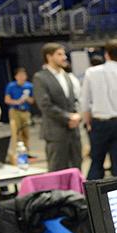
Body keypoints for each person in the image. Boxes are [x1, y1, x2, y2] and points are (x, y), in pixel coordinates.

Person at [80, 39, 117, 179]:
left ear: (106, 54)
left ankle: (92, 199)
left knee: (96, 162)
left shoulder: (91, 73)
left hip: (98, 123)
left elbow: (84, 101)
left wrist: (87, 121)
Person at [33, 43, 82, 172]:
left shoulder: (67, 76)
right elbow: (45, 105)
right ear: (49, 56)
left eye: (64, 54)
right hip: (56, 133)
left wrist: (77, 115)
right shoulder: (40, 77)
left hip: (73, 132)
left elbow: (74, 101)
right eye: (59, 54)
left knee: (76, 169)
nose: (64, 57)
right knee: (58, 171)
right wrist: (68, 118)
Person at [4, 67, 34, 165]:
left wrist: (26, 98)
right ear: (16, 76)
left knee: (26, 133)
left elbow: (33, 101)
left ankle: (26, 154)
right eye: (20, 75)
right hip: (14, 111)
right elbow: (7, 100)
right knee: (15, 132)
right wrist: (16, 102)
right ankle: (15, 154)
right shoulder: (11, 86)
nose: (22, 77)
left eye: (23, 75)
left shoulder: (29, 86)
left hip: (25, 111)